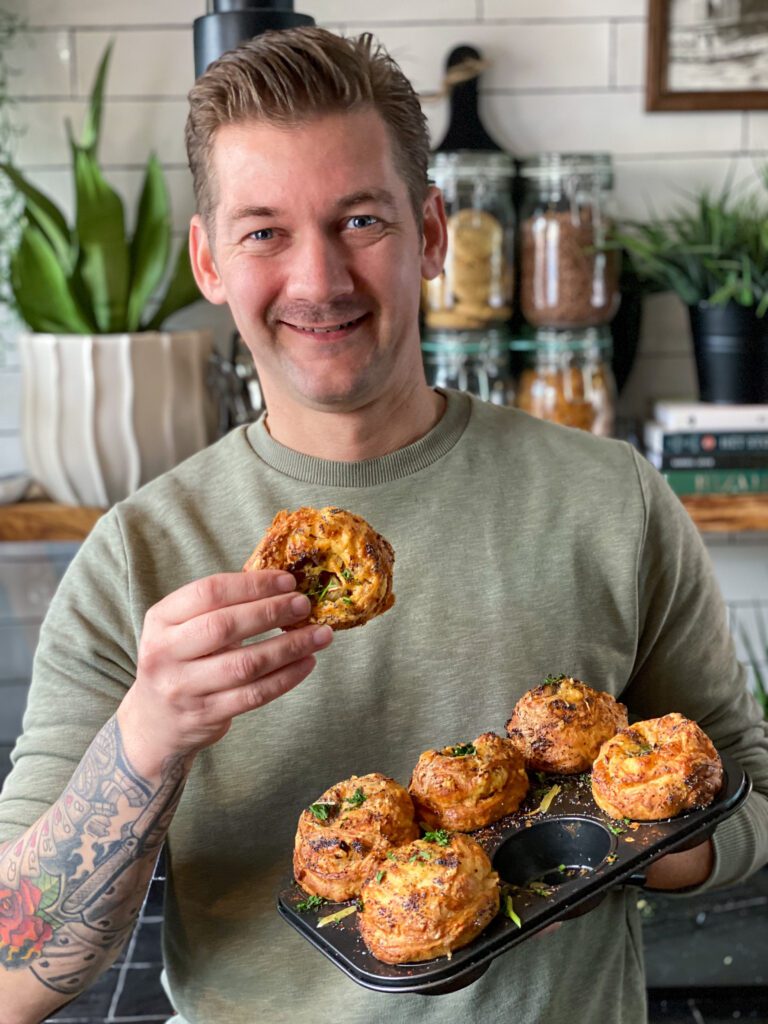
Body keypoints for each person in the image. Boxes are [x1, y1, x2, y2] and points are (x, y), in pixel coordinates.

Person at [1, 26, 767, 1024]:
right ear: (208, 260)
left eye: (360, 220)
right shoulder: (137, 557)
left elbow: (749, 788)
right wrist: (149, 736)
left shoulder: (610, 498)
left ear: (434, 232)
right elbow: (15, 973)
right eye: (264, 230)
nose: (318, 281)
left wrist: (628, 825)